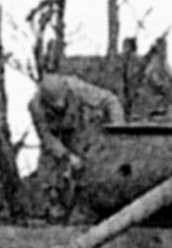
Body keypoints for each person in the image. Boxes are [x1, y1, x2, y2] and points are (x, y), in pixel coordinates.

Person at [26, 73, 125, 221]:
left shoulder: (77, 88)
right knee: (48, 168)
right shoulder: (35, 106)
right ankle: (53, 207)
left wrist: (118, 133)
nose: (59, 105)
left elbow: (111, 101)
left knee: (87, 168)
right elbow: (46, 137)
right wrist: (67, 156)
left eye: (61, 100)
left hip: (82, 129)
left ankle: (86, 208)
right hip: (57, 137)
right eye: (54, 103)